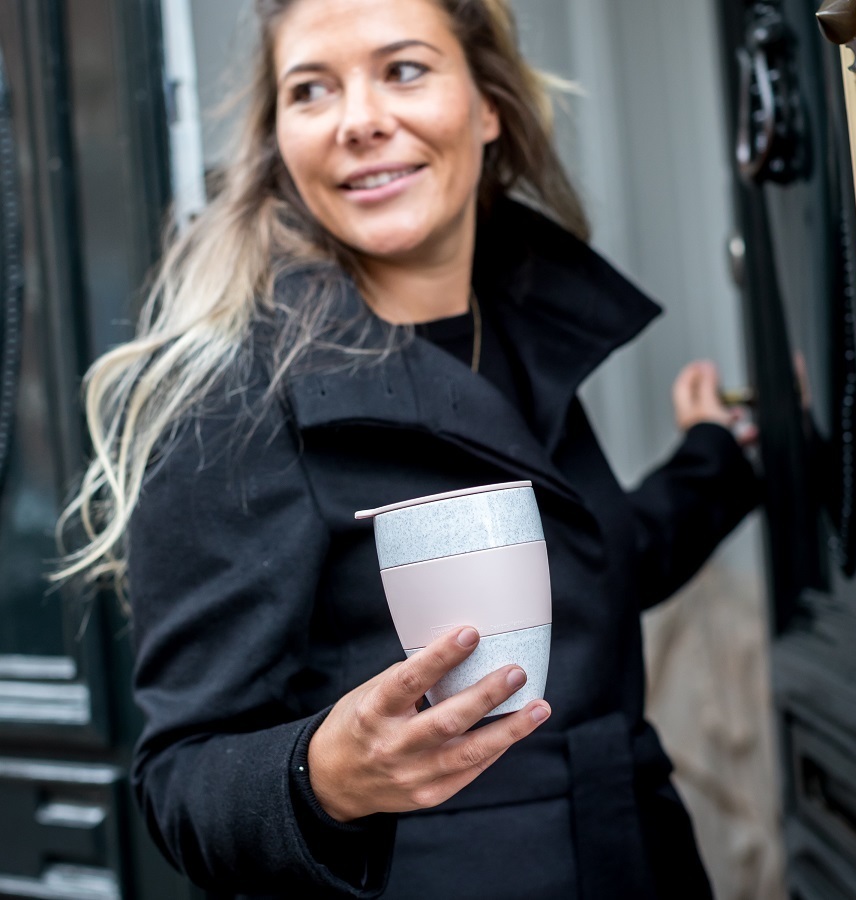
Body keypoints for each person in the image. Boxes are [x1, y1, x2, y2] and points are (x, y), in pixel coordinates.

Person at [58, 0, 759, 896]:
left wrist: (718, 457)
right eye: (311, 90)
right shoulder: (231, 397)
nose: (358, 120)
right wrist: (320, 777)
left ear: (489, 105)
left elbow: (573, 584)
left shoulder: (518, 323)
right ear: (279, 140)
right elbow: (179, 782)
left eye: (403, 70)